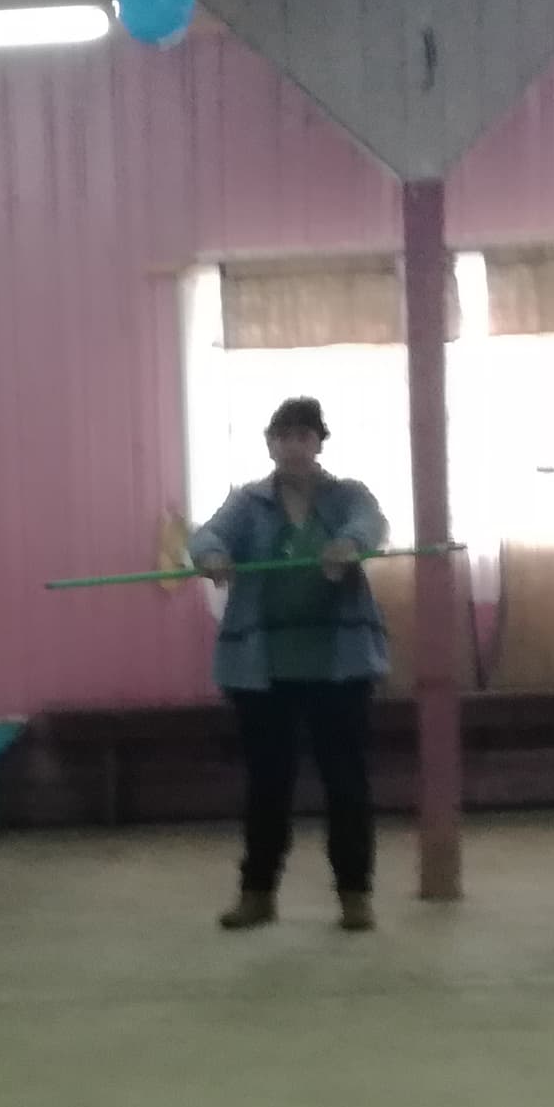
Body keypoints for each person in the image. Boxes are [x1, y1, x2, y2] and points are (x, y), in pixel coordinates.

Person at [189, 397, 388, 933]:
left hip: (339, 668)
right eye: (285, 436)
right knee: (267, 785)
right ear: (270, 444)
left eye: (305, 436)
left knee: (346, 782)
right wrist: (211, 556)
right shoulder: (247, 501)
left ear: (319, 443)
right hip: (262, 671)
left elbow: (370, 523)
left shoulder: (348, 495)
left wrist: (349, 544)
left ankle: (355, 896)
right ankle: (257, 895)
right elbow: (206, 535)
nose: (295, 446)